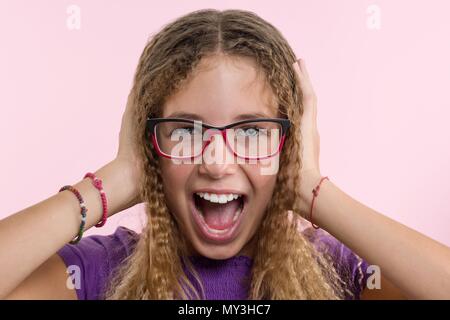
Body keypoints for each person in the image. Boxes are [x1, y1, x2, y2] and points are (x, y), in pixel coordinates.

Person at [1, 9, 449, 300]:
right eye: (185, 131)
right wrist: (113, 181)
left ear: (287, 146)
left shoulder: (337, 272)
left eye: (252, 131)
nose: (216, 163)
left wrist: (314, 192)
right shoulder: (100, 273)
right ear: (149, 144)